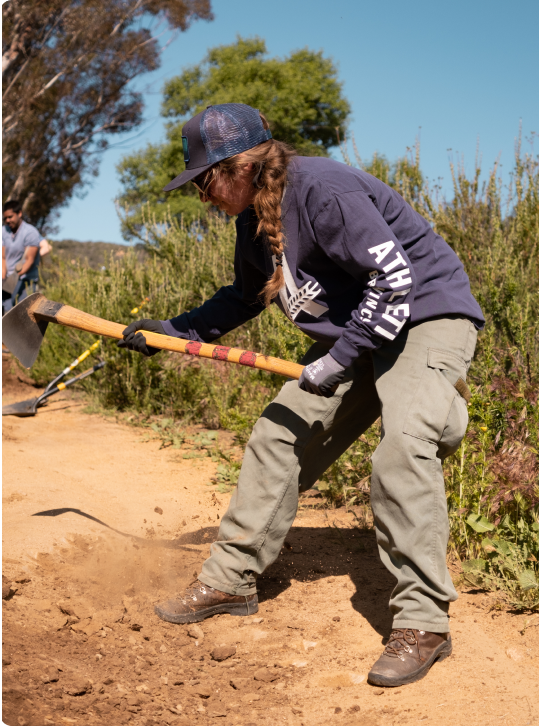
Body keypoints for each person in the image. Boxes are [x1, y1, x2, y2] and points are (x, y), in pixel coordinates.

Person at [119, 104, 485, 687]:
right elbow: (243, 298)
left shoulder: (323, 190)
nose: (203, 196)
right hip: (359, 334)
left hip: (424, 317)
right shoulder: (255, 223)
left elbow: (394, 281)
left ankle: (423, 622)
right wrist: (175, 332)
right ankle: (230, 580)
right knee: (277, 435)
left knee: (404, 447)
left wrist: (338, 360)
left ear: (242, 165)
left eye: (205, 181)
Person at [2, 200, 42, 314]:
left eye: (10, 217)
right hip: (8, 279)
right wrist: (4, 278)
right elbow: (3, 257)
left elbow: (29, 260)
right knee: (7, 312)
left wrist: (15, 277)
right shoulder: (4, 231)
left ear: (19, 213)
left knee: (24, 314)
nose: (8, 220)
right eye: (5, 218)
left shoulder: (30, 232)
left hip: (26, 280)